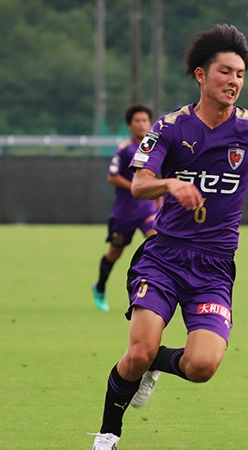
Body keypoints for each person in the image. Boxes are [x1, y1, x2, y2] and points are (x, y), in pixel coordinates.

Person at [90, 24, 248, 450]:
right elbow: (139, 184)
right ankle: (108, 434)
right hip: (163, 258)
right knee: (137, 351)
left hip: (214, 267)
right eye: (225, 72)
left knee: (202, 367)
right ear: (201, 76)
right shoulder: (169, 127)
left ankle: (156, 365)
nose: (234, 81)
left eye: (240, 74)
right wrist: (171, 185)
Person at [92, 104, 160, 312]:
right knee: (115, 252)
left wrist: (158, 199)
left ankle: (151, 292)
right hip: (124, 214)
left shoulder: (156, 147)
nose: (142, 124)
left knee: (157, 244)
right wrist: (136, 187)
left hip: (147, 211)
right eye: (137, 121)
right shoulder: (125, 149)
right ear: (130, 125)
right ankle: (100, 287)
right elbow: (111, 176)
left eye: (145, 121)